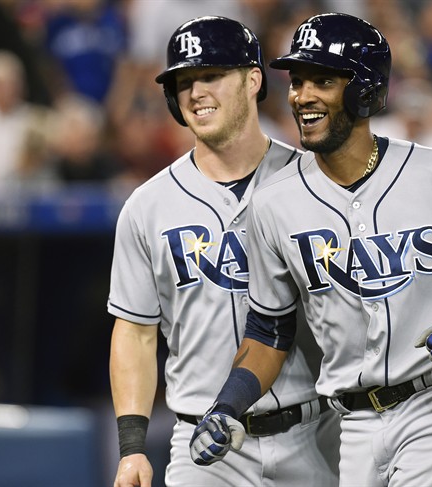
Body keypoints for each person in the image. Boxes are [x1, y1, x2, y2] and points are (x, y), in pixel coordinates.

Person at [189, 12, 432, 487]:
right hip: (355, 424)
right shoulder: (273, 203)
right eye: (297, 81)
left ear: (364, 88)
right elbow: (269, 331)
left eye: (323, 79)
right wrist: (228, 407)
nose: (303, 96)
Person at [107, 16, 339, 487]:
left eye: (211, 75)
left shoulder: (318, 185)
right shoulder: (147, 206)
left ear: (253, 80)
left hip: (318, 433)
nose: (195, 92)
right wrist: (132, 447)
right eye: (184, 82)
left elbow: (376, 296)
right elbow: (135, 333)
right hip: (205, 447)